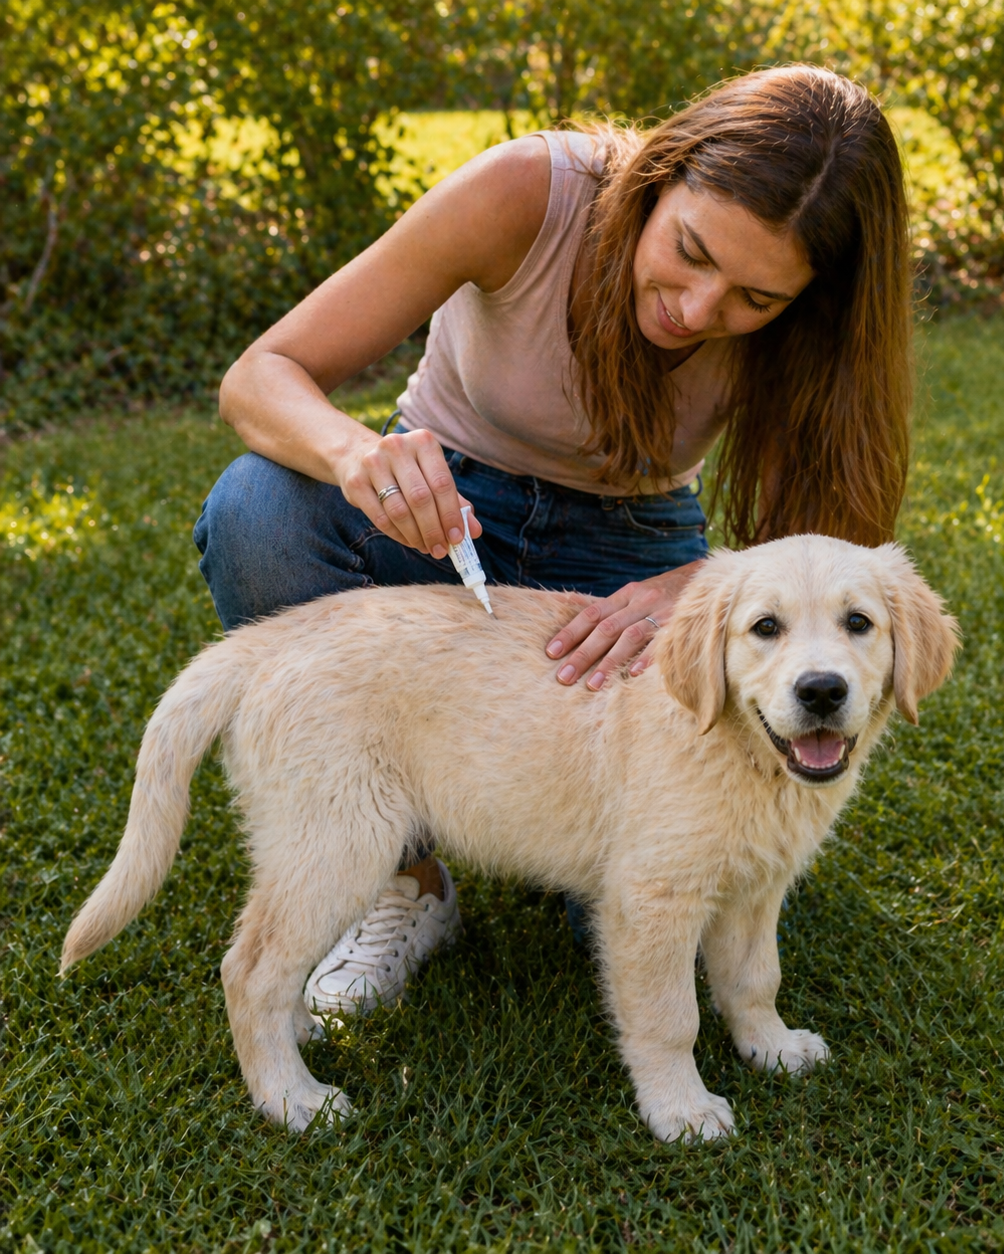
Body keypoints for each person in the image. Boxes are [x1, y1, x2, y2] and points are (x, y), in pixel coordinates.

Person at [195, 64, 913, 1019]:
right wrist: (356, 455)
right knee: (258, 511)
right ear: (660, 175)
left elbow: (832, 547)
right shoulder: (528, 193)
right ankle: (401, 872)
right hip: (441, 514)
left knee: (657, 889)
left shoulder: (814, 325)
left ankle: (541, 824)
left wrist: (693, 590)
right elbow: (261, 374)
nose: (698, 311)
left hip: (632, 547)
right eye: (690, 250)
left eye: (754, 299)